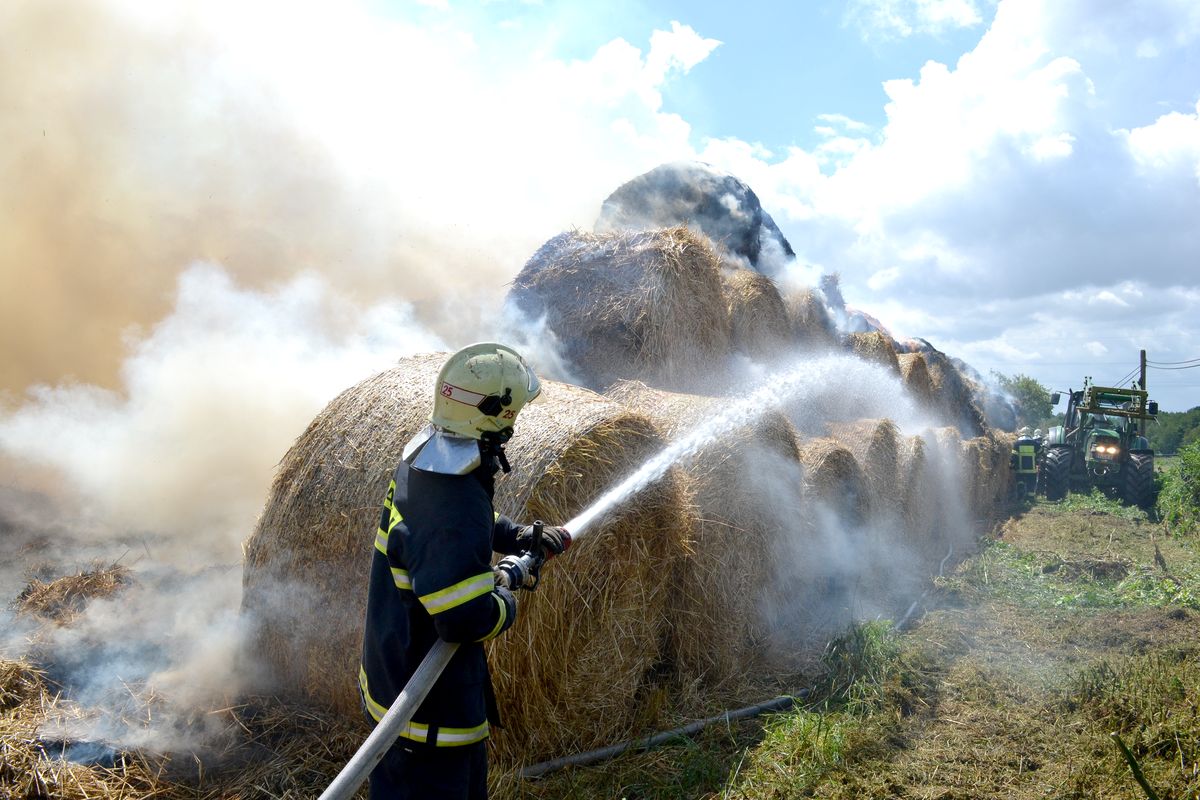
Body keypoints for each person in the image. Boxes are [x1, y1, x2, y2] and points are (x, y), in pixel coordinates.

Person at [359, 342, 571, 799]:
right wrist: (506, 600)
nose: (516, 423)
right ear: (496, 415)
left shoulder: (426, 459)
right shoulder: (453, 500)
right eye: (512, 412)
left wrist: (514, 536)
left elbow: (450, 533)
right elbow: (462, 618)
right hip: (428, 721)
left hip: (393, 678)